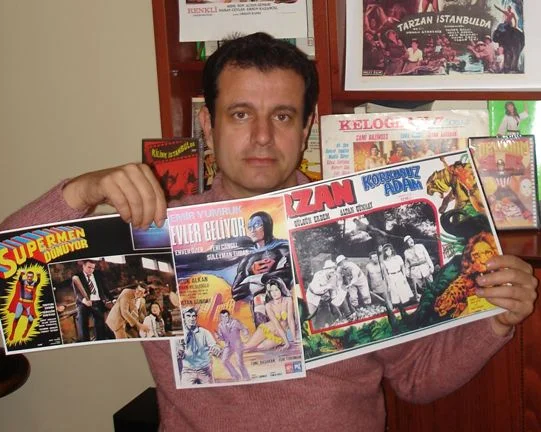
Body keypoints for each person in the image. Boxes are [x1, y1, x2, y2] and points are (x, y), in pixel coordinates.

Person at [0, 32, 537, 431]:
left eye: (281, 116)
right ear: (207, 125)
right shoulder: (159, 230)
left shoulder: (358, 220)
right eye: (240, 114)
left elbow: (415, 380)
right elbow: (7, 285)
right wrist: (82, 190)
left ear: (305, 128)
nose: (261, 136)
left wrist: (494, 321)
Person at [231, 211, 291, 325]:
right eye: (250, 227)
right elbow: (236, 292)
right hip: (260, 309)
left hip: (284, 306)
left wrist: (254, 279)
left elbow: (288, 276)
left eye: (257, 225)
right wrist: (255, 275)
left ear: (267, 225)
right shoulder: (247, 260)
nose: (252, 230)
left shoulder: (283, 248)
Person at [244, 277, 296, 351]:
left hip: (280, 334)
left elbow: (290, 320)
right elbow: (276, 324)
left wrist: (294, 338)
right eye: (271, 291)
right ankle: (230, 348)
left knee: (259, 348)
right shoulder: (269, 305)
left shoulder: (288, 300)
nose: (274, 293)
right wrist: (287, 343)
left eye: (276, 290)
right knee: (248, 346)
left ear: (281, 289)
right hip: (266, 329)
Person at [177, 307, 221, 385]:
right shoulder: (181, 334)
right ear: (183, 318)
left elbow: (214, 345)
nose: (192, 318)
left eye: (194, 316)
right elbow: (177, 351)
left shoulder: (205, 332)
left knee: (211, 391)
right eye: (188, 316)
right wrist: (179, 351)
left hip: (205, 370)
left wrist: (216, 349)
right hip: (188, 370)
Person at [71, 259, 112, 342]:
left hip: (98, 301)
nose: (91, 270)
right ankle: (85, 341)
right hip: (84, 303)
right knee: (82, 319)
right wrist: (84, 300)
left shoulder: (97, 275)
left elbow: (105, 288)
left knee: (100, 323)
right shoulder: (77, 277)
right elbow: (77, 292)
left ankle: (100, 341)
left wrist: (112, 299)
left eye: (93, 268)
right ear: (83, 266)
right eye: (89, 267)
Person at [215, 309, 250, 381]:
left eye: (226, 316)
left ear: (229, 316)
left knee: (239, 363)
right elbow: (222, 338)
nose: (225, 318)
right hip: (228, 345)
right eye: (223, 317)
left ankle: (246, 377)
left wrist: (245, 333)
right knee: (224, 360)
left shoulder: (235, 322)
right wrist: (218, 336)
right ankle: (236, 375)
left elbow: (244, 328)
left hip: (237, 345)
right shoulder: (220, 325)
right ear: (220, 318)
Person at [7, 271, 41, 341]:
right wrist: (21, 274)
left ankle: (26, 331)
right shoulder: (23, 281)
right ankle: (12, 333)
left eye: (31, 276)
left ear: (33, 277)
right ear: (26, 276)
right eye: (28, 276)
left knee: (31, 319)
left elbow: (38, 282)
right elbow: (20, 279)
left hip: (29, 304)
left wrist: (38, 276)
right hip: (21, 303)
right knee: (17, 317)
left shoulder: (34, 283)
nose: (29, 278)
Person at [403, 235, 434, 301]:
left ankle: (435, 296)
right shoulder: (406, 252)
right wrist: (407, 272)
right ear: (406, 244)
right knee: (422, 287)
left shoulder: (420, 246)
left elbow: (427, 256)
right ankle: (427, 299)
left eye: (411, 239)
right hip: (415, 272)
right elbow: (407, 263)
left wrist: (431, 267)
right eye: (408, 241)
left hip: (425, 268)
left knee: (431, 283)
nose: (411, 241)